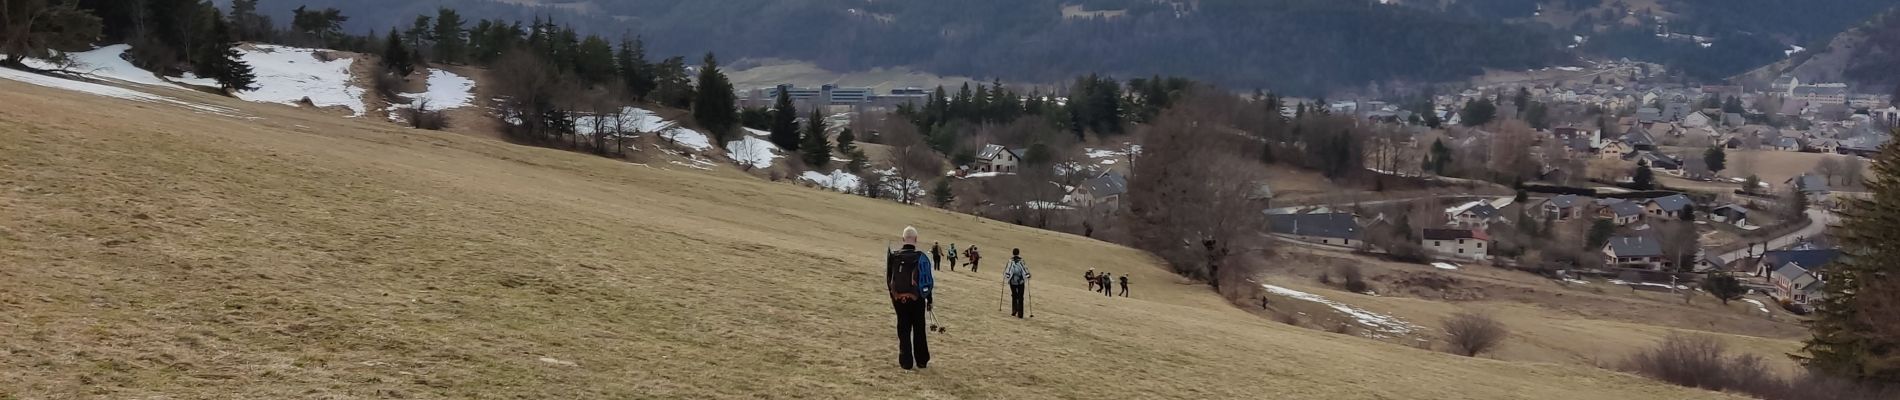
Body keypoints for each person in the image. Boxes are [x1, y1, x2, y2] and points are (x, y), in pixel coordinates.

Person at [887, 226, 933, 370]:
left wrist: (894, 297)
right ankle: (921, 360)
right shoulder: (921, 257)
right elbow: (927, 280)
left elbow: (889, 279)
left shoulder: (894, 256)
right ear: (916, 240)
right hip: (917, 298)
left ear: (903, 239)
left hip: (899, 299)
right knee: (919, 328)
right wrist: (929, 299)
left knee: (903, 328)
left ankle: (906, 361)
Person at [1004, 248, 1031, 318]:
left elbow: (1007, 269)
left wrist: (1006, 276)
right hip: (1020, 281)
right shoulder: (1021, 261)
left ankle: (1014, 310)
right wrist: (1028, 275)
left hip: (1012, 281)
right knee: (1020, 297)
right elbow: (1025, 269)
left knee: (1014, 295)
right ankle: (1020, 313)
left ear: (1013, 253)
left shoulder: (1010, 261)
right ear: (1018, 253)